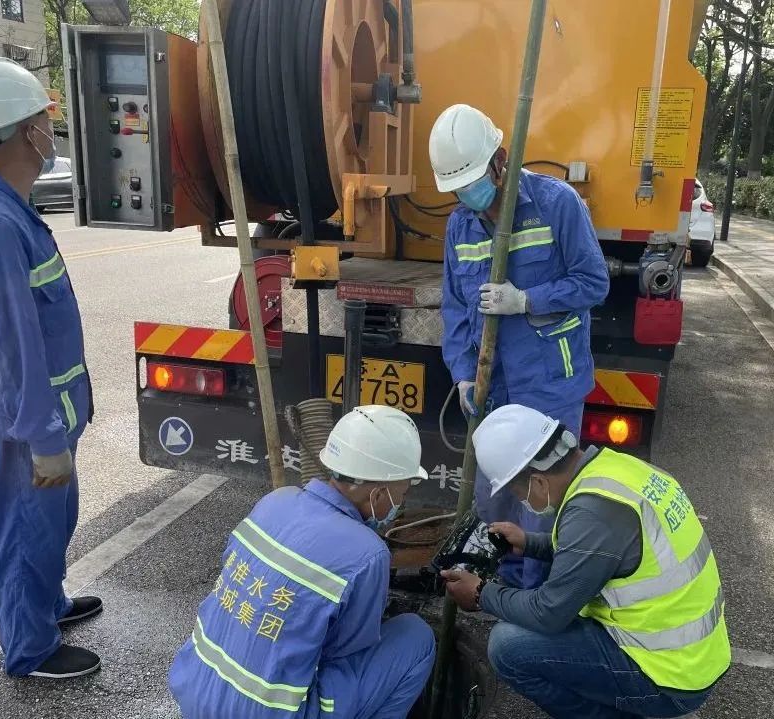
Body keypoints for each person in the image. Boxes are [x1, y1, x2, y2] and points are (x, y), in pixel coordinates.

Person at [0, 57, 99, 679]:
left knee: (50, 520)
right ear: (19, 131)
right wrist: (42, 438)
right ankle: (29, 647)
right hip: (22, 421)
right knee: (23, 531)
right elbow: (11, 348)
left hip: (36, 414)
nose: (49, 132)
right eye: (42, 120)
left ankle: (47, 605)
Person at [442, 404, 729, 719]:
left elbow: (547, 613)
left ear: (538, 482)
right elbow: (597, 553)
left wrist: (483, 593)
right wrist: (529, 543)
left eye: (517, 492)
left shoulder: (592, 513)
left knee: (507, 647)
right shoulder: (615, 470)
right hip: (692, 657)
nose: (522, 502)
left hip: (667, 677)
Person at [429, 103, 610, 589]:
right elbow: (455, 313)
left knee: (545, 501)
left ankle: (540, 597)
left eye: (472, 180)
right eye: (457, 187)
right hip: (494, 386)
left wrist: (527, 299)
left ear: (500, 159)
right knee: (496, 497)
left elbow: (593, 283)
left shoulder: (556, 204)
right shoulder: (460, 227)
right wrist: (463, 374)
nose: (468, 193)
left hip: (550, 381)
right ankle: (497, 589)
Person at [169, 405, 436, 718]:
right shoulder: (368, 553)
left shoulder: (275, 502)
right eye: (401, 493)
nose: (399, 504)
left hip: (196, 692)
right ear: (378, 494)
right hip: (273, 713)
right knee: (415, 636)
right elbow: (345, 653)